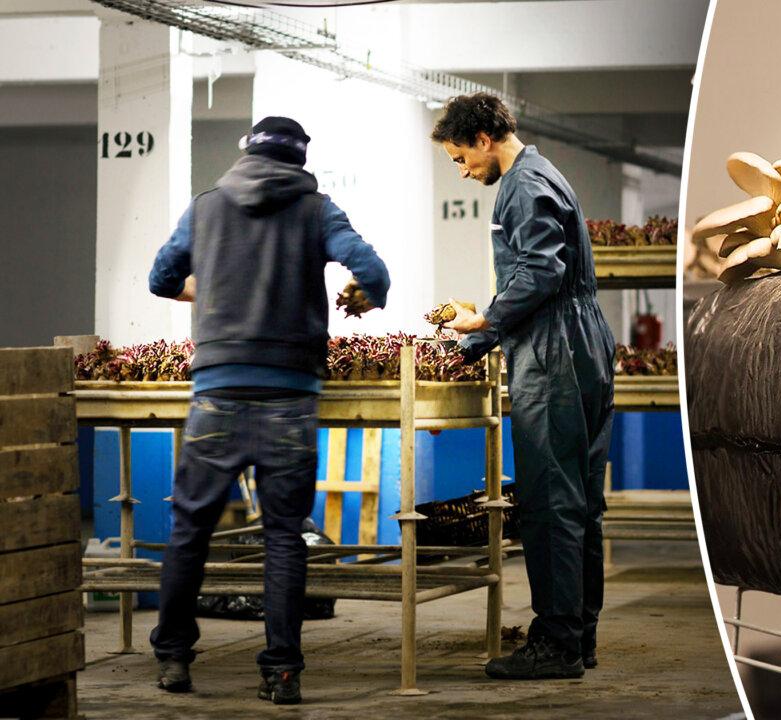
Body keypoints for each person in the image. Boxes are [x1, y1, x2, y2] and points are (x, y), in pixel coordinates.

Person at [146, 116, 389, 704]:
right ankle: (282, 673)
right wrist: (366, 295)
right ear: (300, 161)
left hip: (217, 394)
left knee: (189, 532)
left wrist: (213, 293)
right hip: (291, 398)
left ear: (246, 153)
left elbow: (161, 278)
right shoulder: (317, 209)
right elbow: (374, 272)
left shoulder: (205, 207)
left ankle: (175, 659)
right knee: (283, 537)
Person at [431, 93, 616, 680]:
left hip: (554, 351)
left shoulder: (523, 184)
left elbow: (539, 272)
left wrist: (481, 324)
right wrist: (483, 333)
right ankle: (579, 637)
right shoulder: (542, 175)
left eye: (461, 158)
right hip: (581, 342)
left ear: (484, 139)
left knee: (550, 501)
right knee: (582, 503)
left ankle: (556, 645)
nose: (463, 171)